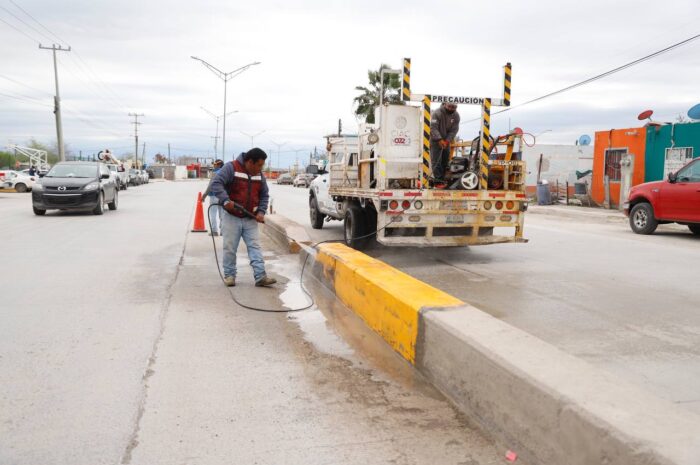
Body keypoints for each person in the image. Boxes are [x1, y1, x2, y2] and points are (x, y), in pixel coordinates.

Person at [210, 148, 277, 288]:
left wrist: (261, 212)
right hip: (231, 216)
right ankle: (229, 275)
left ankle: (260, 276)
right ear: (249, 162)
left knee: (255, 247)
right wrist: (226, 200)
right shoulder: (231, 167)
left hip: (250, 218)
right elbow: (216, 184)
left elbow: (264, 195)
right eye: (259, 165)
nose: (261, 168)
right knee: (229, 247)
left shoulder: (259, 175)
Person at [430, 102, 460, 185]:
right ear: (445, 104)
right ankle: (438, 181)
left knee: (445, 161)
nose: (451, 109)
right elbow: (433, 128)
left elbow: (454, 130)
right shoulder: (437, 113)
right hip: (436, 141)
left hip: (447, 141)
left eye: (453, 107)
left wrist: (447, 141)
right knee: (436, 161)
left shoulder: (456, 115)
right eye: (449, 106)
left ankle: (443, 179)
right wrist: (439, 139)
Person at [201, 159, 225, 236]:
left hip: (214, 196)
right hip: (222, 197)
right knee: (222, 214)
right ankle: (223, 231)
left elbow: (211, 185)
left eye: (215, 164)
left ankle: (214, 231)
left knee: (213, 214)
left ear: (219, 165)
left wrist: (204, 195)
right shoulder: (225, 173)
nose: (214, 166)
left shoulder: (215, 173)